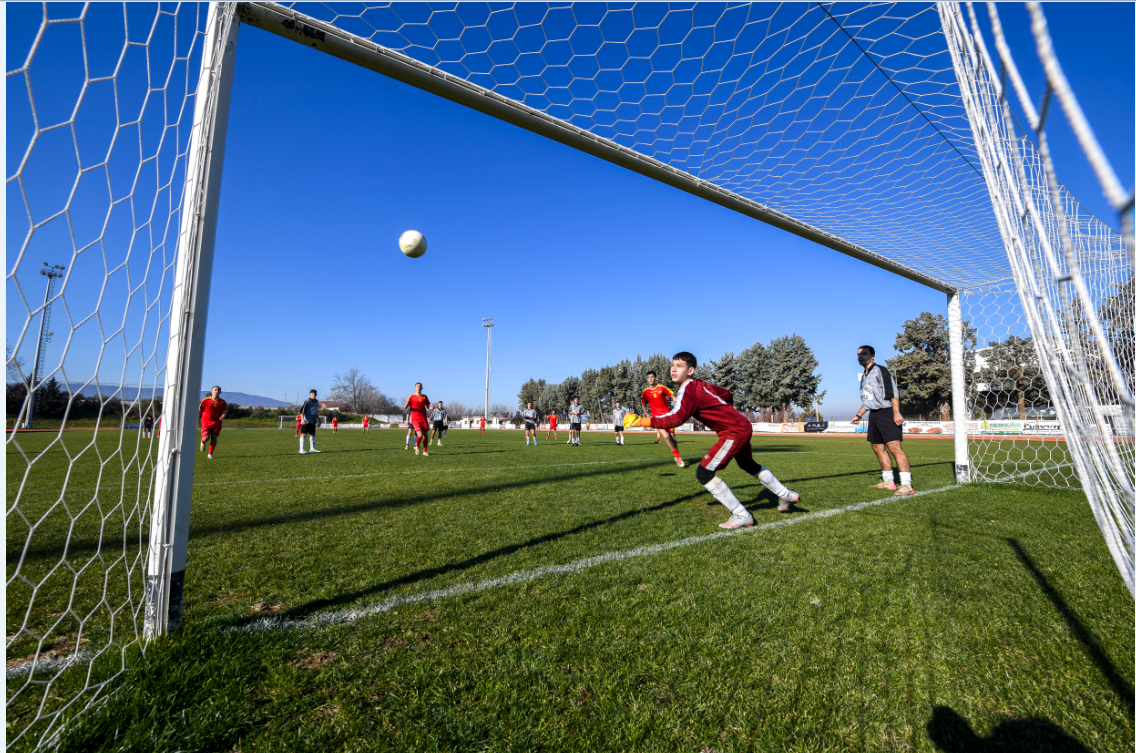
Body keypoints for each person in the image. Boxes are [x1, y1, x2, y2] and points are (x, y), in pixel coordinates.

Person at [624, 352, 799, 528]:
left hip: (734, 431)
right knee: (746, 463)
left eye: (679, 366)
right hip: (741, 425)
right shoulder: (700, 385)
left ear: (690, 370)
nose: (673, 369)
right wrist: (727, 413)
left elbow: (676, 418)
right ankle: (785, 495)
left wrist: (642, 421)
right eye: (672, 365)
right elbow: (727, 394)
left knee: (704, 473)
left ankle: (741, 514)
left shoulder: (687, 389)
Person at [851, 345, 913, 495]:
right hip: (874, 415)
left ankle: (906, 485)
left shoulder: (881, 370)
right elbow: (868, 400)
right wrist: (859, 415)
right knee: (878, 448)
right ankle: (888, 481)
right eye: (859, 354)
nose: (860, 356)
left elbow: (893, 393)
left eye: (864, 354)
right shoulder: (864, 376)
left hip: (887, 412)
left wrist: (896, 413)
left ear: (872, 356)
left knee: (894, 448)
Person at [642, 370, 684, 467]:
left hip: (668, 417)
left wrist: (676, 404)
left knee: (673, 437)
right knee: (666, 436)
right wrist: (646, 413)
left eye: (652, 377)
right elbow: (643, 404)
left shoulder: (662, 388)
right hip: (657, 419)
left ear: (655, 378)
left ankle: (677, 453)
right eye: (649, 378)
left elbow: (672, 396)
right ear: (647, 379)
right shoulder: (645, 392)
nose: (650, 379)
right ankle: (677, 456)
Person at [197, 385, 228, 460]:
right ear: (211, 391)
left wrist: (223, 416)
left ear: (220, 392)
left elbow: (225, 411)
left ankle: (210, 454)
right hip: (206, 422)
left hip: (217, 422)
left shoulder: (222, 402)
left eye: (218, 390)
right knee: (206, 438)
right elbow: (200, 410)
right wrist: (197, 419)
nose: (216, 391)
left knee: (214, 438)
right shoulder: (205, 400)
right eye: (215, 390)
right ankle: (203, 442)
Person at [403, 383, 432, 456]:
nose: (418, 388)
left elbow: (428, 406)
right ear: (415, 388)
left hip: (423, 418)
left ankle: (425, 451)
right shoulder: (411, 396)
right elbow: (405, 407)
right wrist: (406, 403)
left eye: (420, 386)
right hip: (415, 419)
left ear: (422, 388)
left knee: (426, 435)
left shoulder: (425, 397)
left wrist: (431, 407)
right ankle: (417, 447)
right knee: (420, 434)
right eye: (417, 386)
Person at [298, 389, 321, 454]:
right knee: (304, 434)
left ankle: (312, 448)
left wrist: (318, 419)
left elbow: (316, 411)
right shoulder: (307, 401)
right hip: (306, 420)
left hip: (313, 420)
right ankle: (301, 450)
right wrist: (302, 420)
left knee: (312, 434)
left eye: (315, 394)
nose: (314, 395)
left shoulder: (316, 401)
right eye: (312, 394)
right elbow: (301, 411)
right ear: (310, 395)